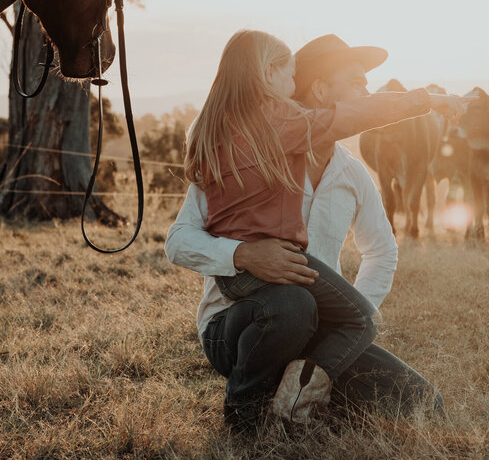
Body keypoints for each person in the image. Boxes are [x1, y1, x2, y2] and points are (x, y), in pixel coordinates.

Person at [167, 32, 455, 431]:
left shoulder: (352, 172)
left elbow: (381, 251)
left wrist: (347, 321)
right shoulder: (255, 143)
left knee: (422, 401)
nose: (368, 92)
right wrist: (243, 255)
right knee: (292, 305)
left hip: (319, 330)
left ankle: (301, 386)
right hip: (239, 326)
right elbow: (178, 240)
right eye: (358, 83)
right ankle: (248, 412)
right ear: (321, 90)